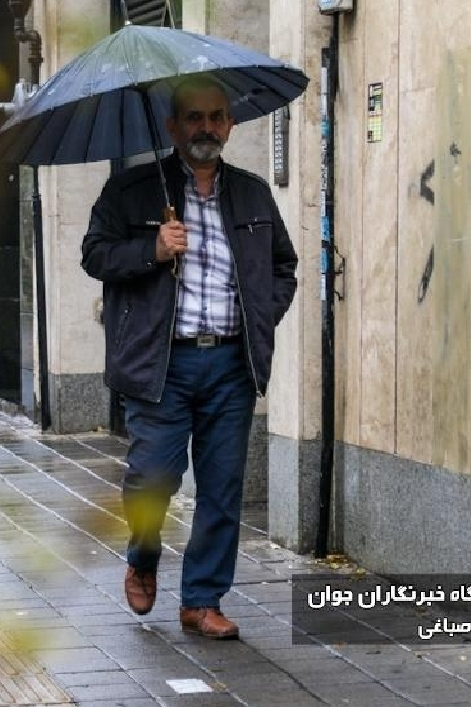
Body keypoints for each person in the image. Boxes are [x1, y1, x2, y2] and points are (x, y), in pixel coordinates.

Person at [80, 76, 298, 639]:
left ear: (229, 123)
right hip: (162, 363)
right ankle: (143, 555)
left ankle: (201, 600)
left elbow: (283, 266)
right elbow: (95, 254)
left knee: (222, 488)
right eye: (194, 118)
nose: (207, 128)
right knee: (153, 477)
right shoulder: (132, 192)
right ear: (173, 126)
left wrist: (259, 318)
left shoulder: (250, 193)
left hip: (231, 362)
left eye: (216, 117)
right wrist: (151, 249)